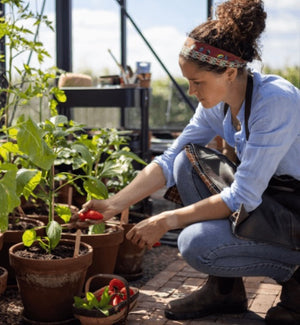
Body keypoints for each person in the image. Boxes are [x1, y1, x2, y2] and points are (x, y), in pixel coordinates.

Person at [75, 0, 300, 323]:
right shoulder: (218, 102)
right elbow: (169, 160)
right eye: (188, 82)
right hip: (271, 201)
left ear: (230, 71)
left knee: (197, 244)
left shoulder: (275, 101)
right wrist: (113, 203)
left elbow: (243, 197)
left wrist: (165, 221)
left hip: (294, 209)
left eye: (198, 82)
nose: (192, 91)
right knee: (184, 162)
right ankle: (225, 292)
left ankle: (297, 281)